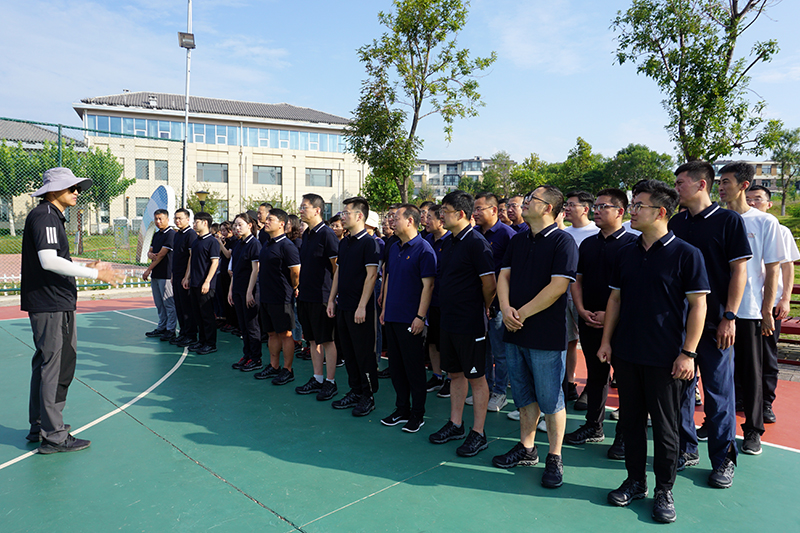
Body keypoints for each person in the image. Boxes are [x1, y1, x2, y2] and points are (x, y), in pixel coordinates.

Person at [598, 179, 709, 524]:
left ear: (660, 212)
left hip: (667, 358)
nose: (631, 211)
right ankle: (635, 482)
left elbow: (699, 306)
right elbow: (615, 299)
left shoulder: (687, 254)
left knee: (665, 428)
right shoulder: (626, 252)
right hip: (627, 353)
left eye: (638, 206)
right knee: (630, 423)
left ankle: (664, 489)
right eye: (632, 205)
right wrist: (606, 342)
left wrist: (688, 353)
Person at [22, 167, 123, 453]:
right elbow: (49, 261)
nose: (77, 192)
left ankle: (40, 425)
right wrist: (95, 274)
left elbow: (55, 258)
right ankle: (54, 435)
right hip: (53, 304)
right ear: (54, 191)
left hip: (50, 303)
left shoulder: (47, 216)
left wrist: (83, 266)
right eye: (72, 188)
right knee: (57, 366)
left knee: (46, 364)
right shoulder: (46, 216)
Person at [668, 161, 752, 488]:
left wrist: (729, 316)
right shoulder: (675, 222)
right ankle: (686, 449)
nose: (676, 188)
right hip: (680, 325)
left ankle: (723, 460)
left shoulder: (728, 221)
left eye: (681, 183)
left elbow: (739, 271)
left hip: (716, 323)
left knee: (718, 396)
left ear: (701, 184)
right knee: (681, 392)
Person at [494, 185, 577, 489]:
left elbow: (558, 286)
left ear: (548, 208)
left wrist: (521, 314)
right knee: (523, 395)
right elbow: (503, 275)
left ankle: (554, 456)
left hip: (545, 334)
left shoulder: (563, 242)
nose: (524, 203)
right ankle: (527, 448)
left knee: (551, 399)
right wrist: (506, 309)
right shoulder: (518, 240)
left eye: (531, 200)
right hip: (514, 330)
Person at [718, 162, 785, 455]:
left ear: (744, 185)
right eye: (719, 181)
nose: (721, 187)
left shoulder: (765, 222)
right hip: (717, 309)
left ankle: (753, 430)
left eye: (726, 181)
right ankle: (714, 422)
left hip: (749, 311)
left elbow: (772, 269)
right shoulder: (717, 218)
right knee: (718, 372)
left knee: (751, 373)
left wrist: (767, 310)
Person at [565, 188, 637, 460]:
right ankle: (593, 426)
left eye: (603, 206)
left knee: (627, 382)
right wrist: (581, 310)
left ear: (620, 212)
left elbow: (633, 289)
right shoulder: (588, 244)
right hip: (589, 321)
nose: (596, 210)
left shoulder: (632, 244)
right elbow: (577, 280)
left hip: (621, 325)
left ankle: (624, 435)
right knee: (596, 376)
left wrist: (611, 315)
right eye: (595, 206)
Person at [428, 191, 496, 456]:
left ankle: (478, 432)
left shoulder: (477, 243)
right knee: (455, 374)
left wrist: (482, 307)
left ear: (461, 214)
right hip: (449, 320)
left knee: (476, 377)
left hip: (470, 322)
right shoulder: (449, 242)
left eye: (445, 211)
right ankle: (455, 423)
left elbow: (489, 285)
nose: (441, 215)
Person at [380, 204, 436, 432]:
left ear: (410, 221)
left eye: (396, 218)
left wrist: (420, 316)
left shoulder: (424, 249)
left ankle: (417, 414)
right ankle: (401, 409)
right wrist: (384, 309)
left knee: (414, 369)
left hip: (411, 319)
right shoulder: (394, 247)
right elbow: (388, 279)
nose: (391, 221)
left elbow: (428, 286)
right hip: (392, 316)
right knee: (396, 367)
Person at [746, 184, 799, 424]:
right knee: (742, 356)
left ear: (769, 204)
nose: (752, 202)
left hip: (771, 304)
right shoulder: (739, 225)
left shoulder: (780, 230)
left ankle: (766, 402)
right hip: (746, 303)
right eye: (748, 198)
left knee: (767, 355)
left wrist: (785, 298)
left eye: (757, 199)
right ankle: (742, 398)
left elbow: (787, 267)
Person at [327, 197, 381, 416]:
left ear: (359, 216)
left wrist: (362, 306)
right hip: (344, 306)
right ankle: (355, 390)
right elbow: (338, 272)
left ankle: (368, 395)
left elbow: (372, 276)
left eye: (346, 213)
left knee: (363, 353)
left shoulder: (369, 243)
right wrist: (331, 299)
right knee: (348, 352)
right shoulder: (344, 242)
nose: (342, 216)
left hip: (361, 310)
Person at [469, 192, 516, 412]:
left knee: (500, 351)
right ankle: (485, 389)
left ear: (494, 210)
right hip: (478, 301)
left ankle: (500, 392)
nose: (475, 213)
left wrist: (499, 302)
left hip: (497, 303)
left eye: (479, 209)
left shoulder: (507, 235)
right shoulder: (474, 234)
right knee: (483, 348)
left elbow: (511, 272)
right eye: (474, 209)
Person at [295, 193, 340, 400]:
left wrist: (331, 298)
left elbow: (336, 268)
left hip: (322, 296)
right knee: (312, 339)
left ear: (317, 210)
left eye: (304, 207)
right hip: (306, 295)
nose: (301, 210)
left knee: (327, 340)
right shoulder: (307, 234)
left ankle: (330, 382)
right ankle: (318, 378)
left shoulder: (327, 234)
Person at [256, 209, 301, 385]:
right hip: (266, 296)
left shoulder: (287, 246)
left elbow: (295, 272)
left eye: (271, 219)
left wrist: (294, 287)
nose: (266, 222)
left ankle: (287, 370)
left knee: (285, 334)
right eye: (266, 219)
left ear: (282, 224)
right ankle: (274, 366)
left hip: (281, 297)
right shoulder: (267, 244)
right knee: (271, 333)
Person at [562, 191, 598, 404]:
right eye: (566, 205)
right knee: (569, 341)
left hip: (586, 299)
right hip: (562, 295)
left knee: (591, 344)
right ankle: (569, 383)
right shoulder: (563, 233)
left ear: (585, 209)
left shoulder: (596, 232)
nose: (566, 208)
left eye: (571, 205)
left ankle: (592, 387)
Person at [228, 212, 263, 372]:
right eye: (235, 225)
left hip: (250, 290)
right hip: (238, 289)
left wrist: (249, 292)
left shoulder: (254, 244)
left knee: (252, 326)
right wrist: (231, 290)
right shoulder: (238, 244)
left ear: (249, 225)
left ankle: (256, 358)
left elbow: (256, 270)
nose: (237, 228)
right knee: (243, 326)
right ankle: (247, 355)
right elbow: (235, 270)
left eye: (240, 224)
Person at [182, 211, 220, 355]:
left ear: (205, 223)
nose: (194, 224)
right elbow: (192, 260)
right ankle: (202, 340)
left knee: (207, 315)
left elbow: (214, 262)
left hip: (205, 285)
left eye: (196, 222)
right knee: (197, 314)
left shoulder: (212, 241)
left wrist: (207, 281)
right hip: (194, 283)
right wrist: (187, 277)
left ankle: (210, 343)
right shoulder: (196, 241)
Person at [423, 204, 451, 397]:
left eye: (429, 217)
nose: (425, 221)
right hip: (430, 300)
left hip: (446, 301)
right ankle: (437, 375)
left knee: (446, 343)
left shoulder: (450, 241)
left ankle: (450, 378)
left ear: (441, 220)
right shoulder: (426, 241)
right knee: (432, 341)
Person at [142, 209, 177, 341]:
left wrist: (148, 269)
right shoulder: (157, 234)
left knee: (168, 303)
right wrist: (149, 254)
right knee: (159, 303)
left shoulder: (171, 234)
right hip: (156, 274)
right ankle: (162, 326)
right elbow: (151, 251)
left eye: (160, 219)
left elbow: (161, 255)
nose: (158, 221)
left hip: (166, 274)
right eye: (156, 219)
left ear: (167, 219)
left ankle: (170, 329)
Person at [170, 208, 198, 348]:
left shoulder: (190, 234)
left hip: (184, 277)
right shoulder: (177, 235)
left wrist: (187, 277)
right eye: (176, 218)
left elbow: (191, 257)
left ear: (188, 219)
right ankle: (183, 333)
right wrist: (173, 274)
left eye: (180, 218)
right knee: (179, 306)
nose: (177, 221)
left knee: (187, 307)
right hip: (176, 275)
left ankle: (190, 335)